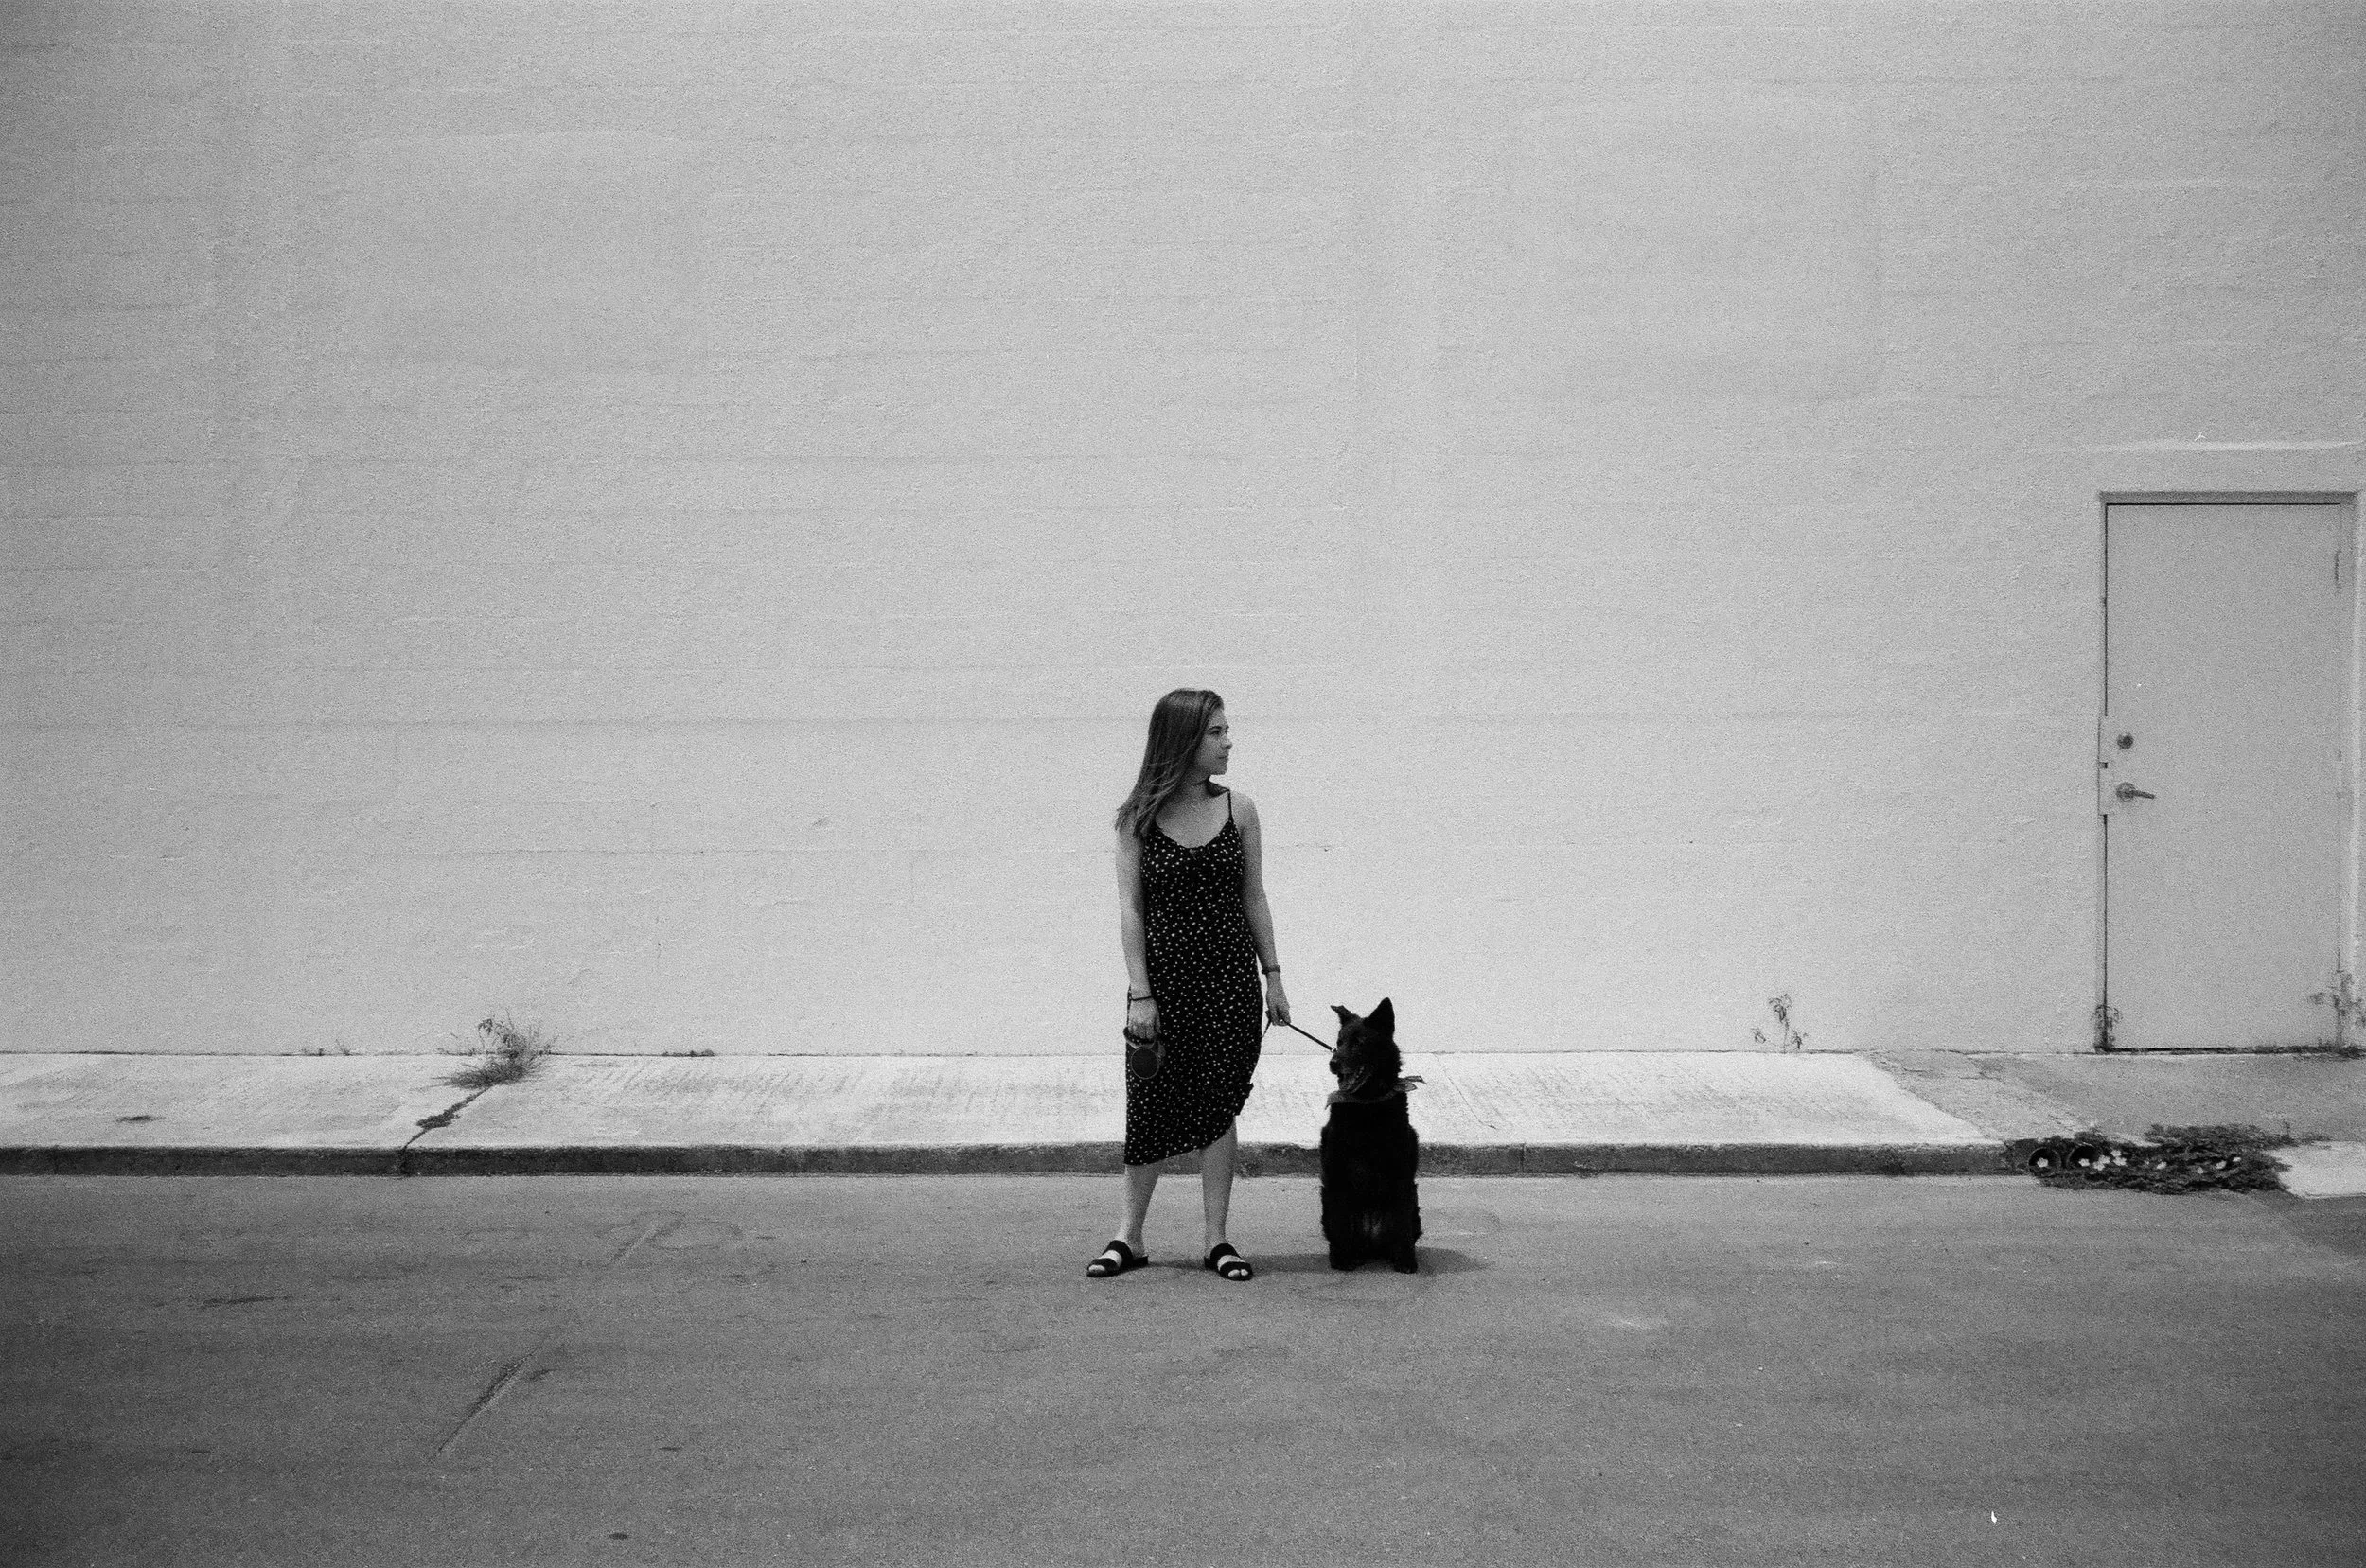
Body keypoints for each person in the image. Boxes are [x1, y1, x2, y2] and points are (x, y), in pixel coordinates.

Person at [1086, 689, 1289, 1282]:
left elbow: (1254, 896)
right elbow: (1131, 911)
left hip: (1230, 985)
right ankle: (1130, 1236)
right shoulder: (1136, 820)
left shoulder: (1240, 811)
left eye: (1227, 731)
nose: (1229, 742)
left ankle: (1217, 1240)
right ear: (1183, 740)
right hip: (1163, 987)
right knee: (1150, 1103)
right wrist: (1140, 993)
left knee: (1219, 1105)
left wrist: (1273, 976)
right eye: (1216, 733)